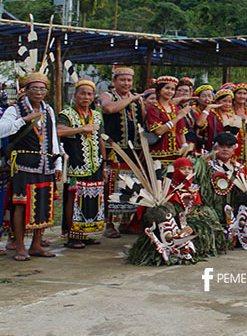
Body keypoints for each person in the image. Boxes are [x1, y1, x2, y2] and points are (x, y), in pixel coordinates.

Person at [0, 73, 63, 260]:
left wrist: (57, 162)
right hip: (23, 164)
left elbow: (53, 138)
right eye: (34, 88)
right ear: (26, 90)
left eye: (43, 88)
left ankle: (36, 245)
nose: (39, 92)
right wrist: (24, 120)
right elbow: (2, 130)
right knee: (21, 204)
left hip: (45, 164)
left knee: (44, 204)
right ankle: (20, 247)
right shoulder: (15, 109)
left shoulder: (48, 110)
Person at [56, 79, 106, 249]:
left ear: (93, 97)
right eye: (82, 93)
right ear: (75, 95)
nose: (86, 97)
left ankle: (85, 234)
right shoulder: (67, 114)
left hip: (95, 163)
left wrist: (104, 163)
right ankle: (72, 235)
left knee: (91, 198)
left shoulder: (97, 115)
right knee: (74, 198)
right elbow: (59, 131)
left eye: (89, 94)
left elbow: (100, 140)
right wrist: (81, 129)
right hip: (76, 164)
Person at [100, 66, 144, 237]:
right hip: (114, 149)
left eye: (129, 80)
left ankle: (126, 222)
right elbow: (109, 109)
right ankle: (109, 224)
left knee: (131, 185)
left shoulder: (137, 100)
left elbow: (144, 120)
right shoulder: (108, 96)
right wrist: (131, 99)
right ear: (114, 81)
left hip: (134, 150)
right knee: (111, 186)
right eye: (122, 80)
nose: (126, 83)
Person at [144, 76, 187, 161]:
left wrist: (184, 147)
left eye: (172, 89)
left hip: (176, 152)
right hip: (159, 152)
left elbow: (181, 131)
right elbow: (159, 131)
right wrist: (178, 117)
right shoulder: (152, 109)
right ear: (159, 90)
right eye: (167, 88)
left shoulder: (176, 109)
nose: (170, 91)